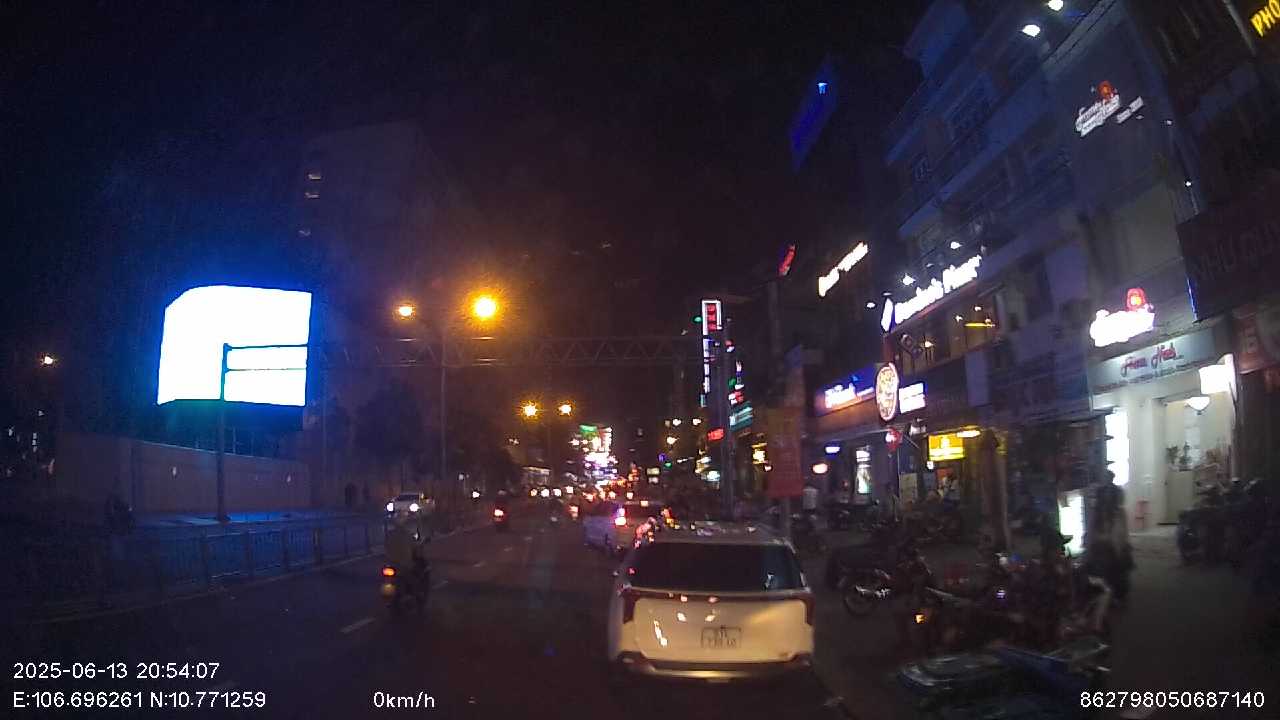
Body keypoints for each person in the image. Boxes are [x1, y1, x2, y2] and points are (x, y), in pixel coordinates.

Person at [1087, 471, 1133, 603]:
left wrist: (1123, 545)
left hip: (1112, 547)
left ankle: (1115, 593)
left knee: (1115, 569)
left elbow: (1122, 533)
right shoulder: (1099, 512)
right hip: (1103, 547)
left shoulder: (1117, 511)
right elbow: (1092, 532)